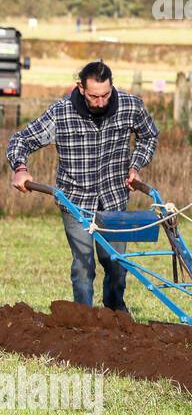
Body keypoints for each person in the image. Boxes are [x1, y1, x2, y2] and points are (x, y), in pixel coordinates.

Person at [7, 60, 159, 310]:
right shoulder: (61, 112)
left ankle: (114, 314)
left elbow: (149, 135)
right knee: (83, 264)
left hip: (114, 199)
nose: (100, 102)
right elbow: (21, 140)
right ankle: (84, 319)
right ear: (80, 88)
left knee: (116, 264)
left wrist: (135, 166)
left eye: (105, 95)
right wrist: (20, 169)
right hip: (75, 200)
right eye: (94, 96)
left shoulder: (130, 106)